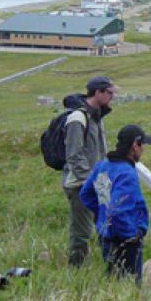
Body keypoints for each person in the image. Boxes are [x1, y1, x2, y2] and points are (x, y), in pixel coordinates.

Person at [79, 124, 151, 284]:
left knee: (113, 280)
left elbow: (85, 194)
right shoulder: (127, 173)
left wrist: (102, 215)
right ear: (135, 145)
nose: (143, 149)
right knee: (130, 284)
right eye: (142, 145)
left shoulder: (102, 166)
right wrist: (133, 234)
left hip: (105, 235)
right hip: (126, 240)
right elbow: (119, 211)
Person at [62, 76, 117, 267]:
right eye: (110, 92)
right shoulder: (78, 118)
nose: (112, 96)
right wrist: (89, 181)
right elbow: (74, 155)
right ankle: (76, 271)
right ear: (98, 92)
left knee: (108, 223)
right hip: (80, 185)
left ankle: (111, 264)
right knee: (81, 232)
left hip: (98, 182)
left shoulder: (97, 117)